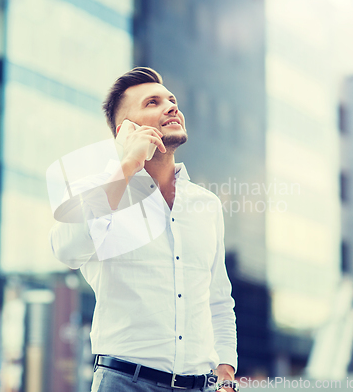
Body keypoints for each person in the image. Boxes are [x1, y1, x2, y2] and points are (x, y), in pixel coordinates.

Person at [49, 67, 238, 392]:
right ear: (126, 129)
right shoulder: (94, 190)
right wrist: (128, 165)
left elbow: (218, 300)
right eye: (153, 102)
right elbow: (67, 249)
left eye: (171, 100)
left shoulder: (205, 205)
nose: (171, 107)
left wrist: (226, 377)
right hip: (124, 383)